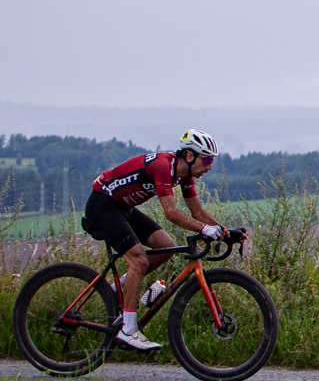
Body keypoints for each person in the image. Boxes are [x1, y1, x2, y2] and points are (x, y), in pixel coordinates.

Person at [82, 130, 228, 352]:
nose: (210, 167)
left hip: (122, 208)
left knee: (166, 246)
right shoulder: (163, 166)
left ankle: (120, 287)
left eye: (212, 162)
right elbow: (170, 212)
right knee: (139, 261)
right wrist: (205, 229)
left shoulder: (185, 175)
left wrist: (224, 231)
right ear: (189, 156)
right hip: (102, 206)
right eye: (207, 160)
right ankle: (128, 331)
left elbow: (196, 211)